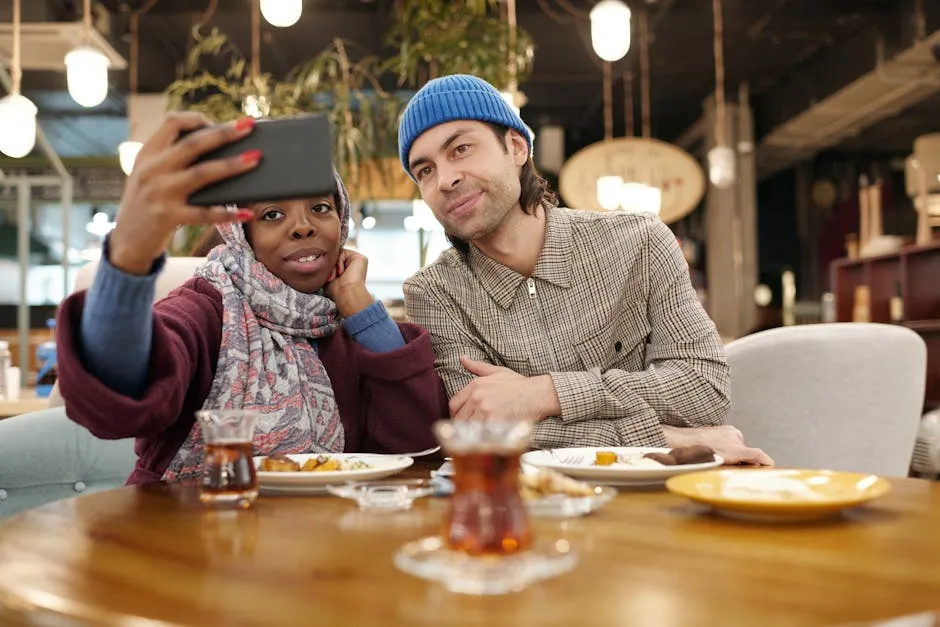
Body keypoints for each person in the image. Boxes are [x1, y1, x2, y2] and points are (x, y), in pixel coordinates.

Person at [56, 112, 448, 485]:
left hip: (325, 540)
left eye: (321, 207)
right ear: (241, 234)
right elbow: (117, 398)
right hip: (186, 534)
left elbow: (417, 445)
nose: (303, 227)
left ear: (342, 218)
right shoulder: (208, 308)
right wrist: (129, 257)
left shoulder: (345, 322)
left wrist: (362, 310)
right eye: (273, 215)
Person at [399, 74, 771, 465]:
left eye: (460, 149)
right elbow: (480, 433)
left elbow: (704, 389)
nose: (445, 179)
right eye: (424, 170)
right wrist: (665, 436)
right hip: (530, 509)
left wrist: (544, 394)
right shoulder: (434, 292)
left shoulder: (639, 242)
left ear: (515, 147)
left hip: (658, 504)